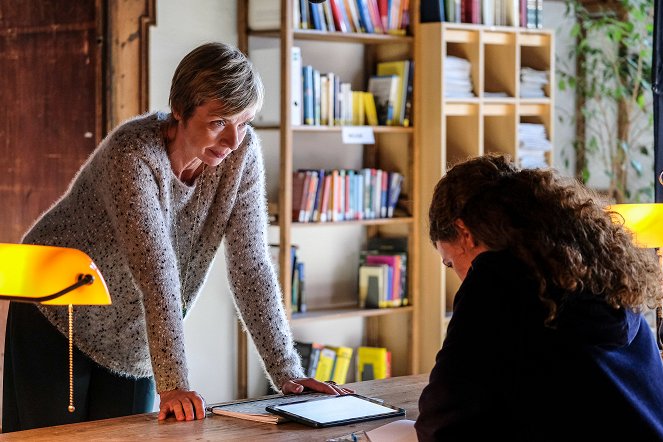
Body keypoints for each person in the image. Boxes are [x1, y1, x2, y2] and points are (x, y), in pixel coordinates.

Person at [2, 42, 349, 433]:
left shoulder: (241, 155)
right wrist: (175, 386)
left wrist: (287, 373)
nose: (234, 141)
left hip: (133, 329)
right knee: (52, 440)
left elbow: (251, 265)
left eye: (245, 122)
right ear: (181, 110)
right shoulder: (132, 154)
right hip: (56, 308)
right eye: (219, 122)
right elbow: (157, 271)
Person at [415, 154, 663, 441]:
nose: (458, 276)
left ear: (464, 233)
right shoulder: (600, 260)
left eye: (450, 263)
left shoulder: (494, 278)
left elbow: (440, 416)